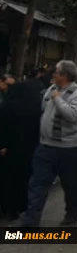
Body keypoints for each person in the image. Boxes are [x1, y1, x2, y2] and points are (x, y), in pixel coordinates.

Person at [15, 60, 77, 227]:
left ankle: (72, 213)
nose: (53, 74)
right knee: (37, 184)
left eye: (56, 72)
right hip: (46, 146)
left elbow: (74, 115)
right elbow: (43, 109)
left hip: (69, 148)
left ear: (65, 75)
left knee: (71, 184)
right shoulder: (52, 89)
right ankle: (30, 220)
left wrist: (58, 100)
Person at [0, 80, 42, 221]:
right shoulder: (35, 107)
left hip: (10, 151)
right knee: (25, 179)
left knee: (8, 179)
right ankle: (22, 206)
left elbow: (2, 127)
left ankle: (7, 208)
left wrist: (3, 145)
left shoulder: (7, 105)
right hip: (29, 150)